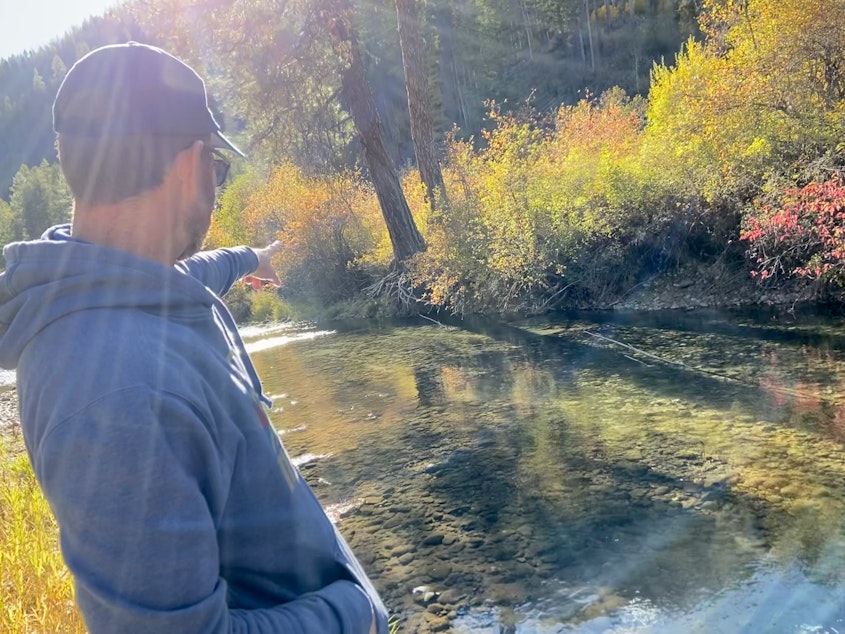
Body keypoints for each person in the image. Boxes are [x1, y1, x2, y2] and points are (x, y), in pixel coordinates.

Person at [0, 42, 388, 634]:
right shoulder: (116, 397)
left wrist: (255, 256)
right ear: (191, 163)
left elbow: (199, 271)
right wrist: (355, 610)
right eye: (218, 168)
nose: (216, 184)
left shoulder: (123, 283)